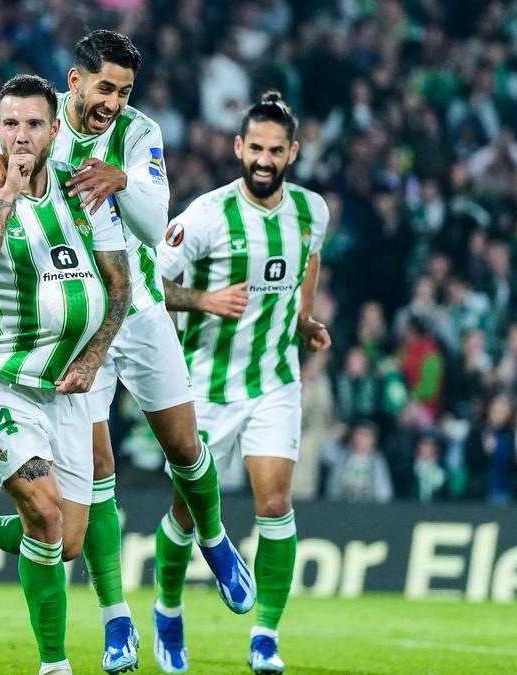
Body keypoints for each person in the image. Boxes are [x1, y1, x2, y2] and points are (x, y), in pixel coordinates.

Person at [0, 30, 251, 673]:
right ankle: (117, 622)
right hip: (69, 335)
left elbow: (153, 221)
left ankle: (217, 538)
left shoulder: (140, 132)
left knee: (184, 447)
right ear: (75, 81)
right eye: (105, 88)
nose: (113, 102)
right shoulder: (43, 126)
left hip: (136, 310)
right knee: (90, 483)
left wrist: (121, 180)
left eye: (124, 91)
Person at [0, 74, 131, 675]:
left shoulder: (83, 189)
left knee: (67, 541)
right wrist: (6, 198)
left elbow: (119, 285)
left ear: (54, 129)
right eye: (10, 124)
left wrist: (95, 356)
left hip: (67, 387)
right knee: (46, 515)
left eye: (33, 124)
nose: (21, 135)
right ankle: (55, 665)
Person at [155, 92, 333, 674]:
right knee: (186, 514)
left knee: (276, 502)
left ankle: (264, 637)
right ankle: (168, 611)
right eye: (254, 148)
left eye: (274, 151)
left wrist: (304, 320)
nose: (263, 159)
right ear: (238, 148)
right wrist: (203, 299)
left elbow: (308, 262)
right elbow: (151, 284)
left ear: (293, 153)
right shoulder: (206, 216)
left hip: (275, 381)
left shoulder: (312, 212)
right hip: (204, 385)